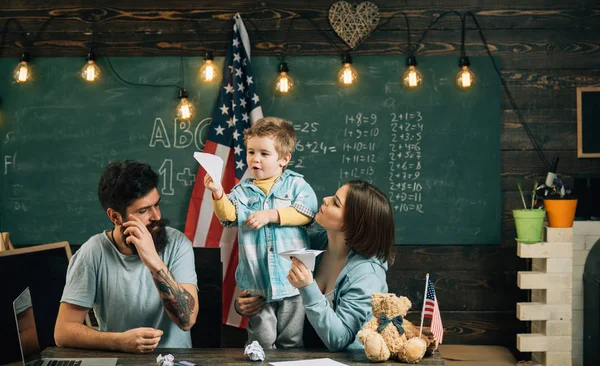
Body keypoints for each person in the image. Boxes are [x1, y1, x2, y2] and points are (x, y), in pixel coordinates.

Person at [54, 160, 199, 353]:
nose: (156, 216)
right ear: (115, 217)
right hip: (121, 360)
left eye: (156, 204)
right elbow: (63, 332)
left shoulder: (178, 244)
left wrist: (154, 261)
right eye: (143, 210)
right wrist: (119, 342)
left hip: (175, 360)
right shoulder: (93, 252)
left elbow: (187, 320)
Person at [236, 180, 395, 351]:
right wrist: (245, 305)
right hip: (297, 357)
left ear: (353, 223)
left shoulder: (367, 275)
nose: (326, 199)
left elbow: (339, 340)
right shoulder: (310, 242)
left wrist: (307, 287)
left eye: (335, 202)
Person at [204, 117, 318, 349]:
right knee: (261, 339)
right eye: (251, 152)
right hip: (257, 282)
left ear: (284, 159)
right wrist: (217, 193)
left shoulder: (296, 185)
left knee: (291, 340)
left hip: (292, 282)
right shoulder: (242, 190)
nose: (255, 159)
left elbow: (307, 212)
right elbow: (228, 215)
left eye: (264, 154)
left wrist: (271, 215)